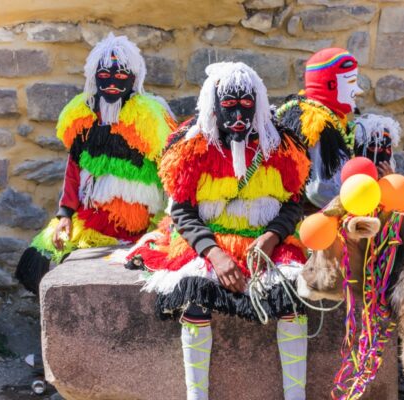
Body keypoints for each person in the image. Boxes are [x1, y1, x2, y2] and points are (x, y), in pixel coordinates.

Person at [126, 62, 311, 400]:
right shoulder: (190, 147)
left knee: (292, 296)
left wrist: (270, 239)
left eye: (246, 105)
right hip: (208, 240)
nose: (239, 114)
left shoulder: (281, 145)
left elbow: (293, 203)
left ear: (258, 103)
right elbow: (181, 210)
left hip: (265, 239)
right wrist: (215, 255)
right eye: (228, 106)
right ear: (214, 106)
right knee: (195, 296)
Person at [15, 33, 176, 294]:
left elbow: (171, 174)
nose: (112, 82)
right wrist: (64, 214)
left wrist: (168, 222)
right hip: (91, 217)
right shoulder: (83, 116)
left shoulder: (152, 117)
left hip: (140, 221)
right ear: (94, 77)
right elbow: (74, 167)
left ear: (135, 79)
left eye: (122, 75)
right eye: (105, 75)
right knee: (37, 259)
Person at [276, 48, 363, 211]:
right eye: (351, 82)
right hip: (311, 224)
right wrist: (359, 203)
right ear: (330, 85)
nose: (358, 90)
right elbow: (319, 190)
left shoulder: (332, 118)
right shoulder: (315, 123)